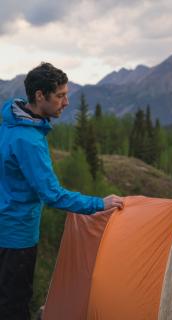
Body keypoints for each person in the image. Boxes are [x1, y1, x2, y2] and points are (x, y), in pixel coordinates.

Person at [0, 62, 124, 319]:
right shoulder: (28, 139)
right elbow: (52, 194)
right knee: (15, 305)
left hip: (5, 226)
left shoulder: (9, 126)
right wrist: (99, 204)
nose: (66, 102)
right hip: (16, 235)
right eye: (60, 95)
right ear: (39, 96)